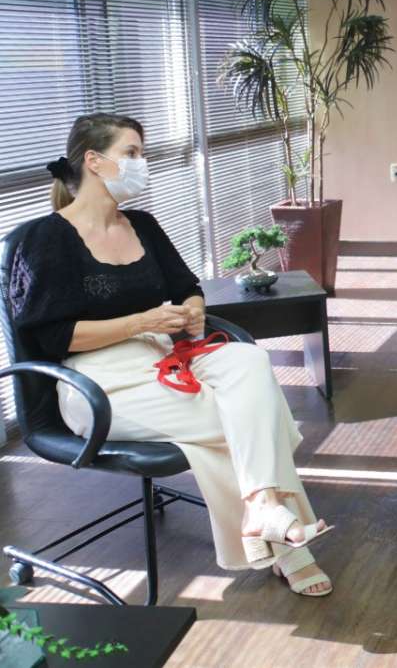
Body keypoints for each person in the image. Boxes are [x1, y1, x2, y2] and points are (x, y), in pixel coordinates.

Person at [8, 114, 334, 597]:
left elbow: (186, 287)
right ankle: (283, 541)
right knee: (249, 416)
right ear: (94, 161)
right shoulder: (45, 239)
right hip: (97, 384)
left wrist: (193, 311)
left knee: (249, 363)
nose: (142, 163)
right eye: (132, 153)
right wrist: (140, 322)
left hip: (166, 358)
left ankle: (264, 508)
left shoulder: (143, 225)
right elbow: (51, 338)